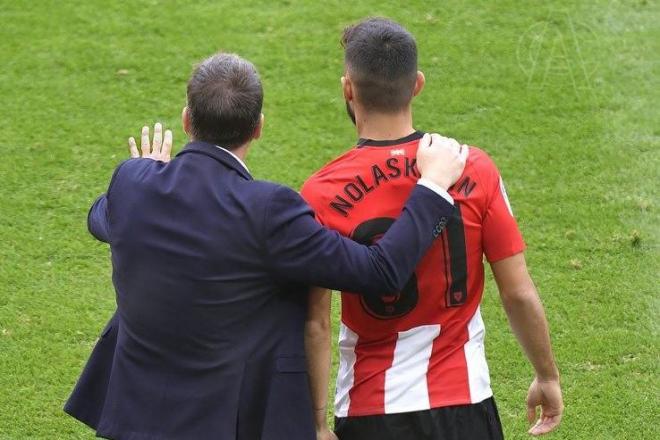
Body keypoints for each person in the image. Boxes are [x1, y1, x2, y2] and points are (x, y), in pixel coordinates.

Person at [64, 52, 469, 440]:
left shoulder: (133, 185)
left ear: (187, 120)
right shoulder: (270, 211)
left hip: (139, 417)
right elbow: (379, 270)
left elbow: (102, 218)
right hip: (229, 424)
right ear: (258, 126)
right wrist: (432, 187)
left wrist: (151, 173)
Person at [301, 18, 564, 440]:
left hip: (370, 410)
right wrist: (546, 375)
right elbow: (517, 291)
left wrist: (315, 423)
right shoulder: (474, 168)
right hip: (465, 406)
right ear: (417, 84)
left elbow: (315, 322)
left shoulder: (321, 193)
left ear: (348, 88)